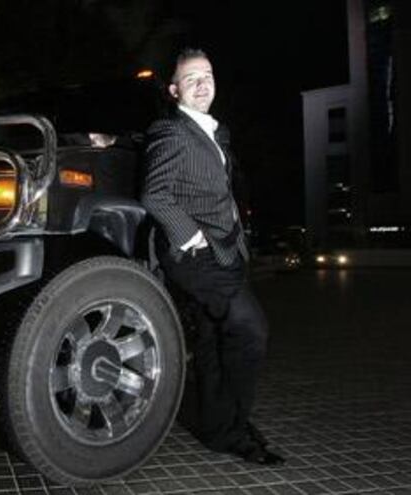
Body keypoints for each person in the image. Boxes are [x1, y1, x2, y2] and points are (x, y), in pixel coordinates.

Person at [140, 48, 285, 465]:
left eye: (207, 75)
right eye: (191, 79)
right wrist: (193, 237)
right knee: (250, 330)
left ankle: (219, 427)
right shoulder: (171, 131)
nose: (203, 84)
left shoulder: (213, 133)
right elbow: (154, 193)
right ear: (174, 90)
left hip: (228, 250)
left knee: (210, 337)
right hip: (198, 256)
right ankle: (235, 427)